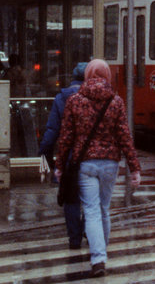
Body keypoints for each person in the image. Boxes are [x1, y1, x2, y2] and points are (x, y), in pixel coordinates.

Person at [55, 59, 141, 278]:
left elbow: (66, 137)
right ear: (107, 76)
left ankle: (98, 258)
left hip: (85, 164)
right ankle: (102, 253)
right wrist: (135, 168)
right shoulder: (116, 101)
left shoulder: (75, 101)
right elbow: (125, 136)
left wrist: (59, 166)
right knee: (103, 209)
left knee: (91, 211)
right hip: (110, 164)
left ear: (88, 76)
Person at [38, 61, 89, 249]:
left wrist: (44, 152)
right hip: (92, 156)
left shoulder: (62, 98)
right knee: (91, 201)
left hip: (69, 158)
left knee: (71, 199)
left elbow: (52, 131)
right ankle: (90, 231)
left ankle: (74, 239)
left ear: (73, 78)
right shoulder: (94, 96)